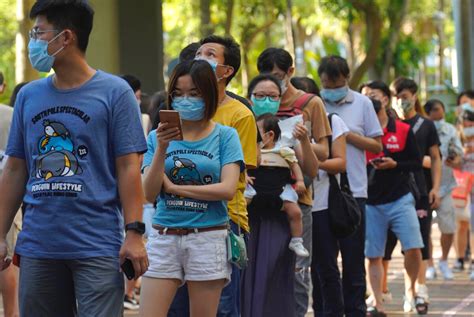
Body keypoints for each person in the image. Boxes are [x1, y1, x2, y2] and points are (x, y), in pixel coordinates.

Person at [0, 2, 149, 316]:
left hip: (96, 246)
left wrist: (134, 233)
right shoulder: (28, 95)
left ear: (65, 37)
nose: (33, 42)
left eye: (39, 32)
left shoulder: (115, 93)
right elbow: (15, 168)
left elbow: (129, 167)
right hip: (38, 245)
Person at [139, 59, 244, 317]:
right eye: (178, 93)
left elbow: (227, 189)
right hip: (164, 235)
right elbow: (148, 193)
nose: (185, 100)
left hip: (208, 237)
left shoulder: (225, 136)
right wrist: (163, 148)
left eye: (194, 93)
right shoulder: (156, 137)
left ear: (208, 94)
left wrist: (176, 188)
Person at [256, 47, 331, 317]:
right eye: (266, 77)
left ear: (290, 73)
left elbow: (325, 151)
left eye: (278, 76)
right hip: (260, 198)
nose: (272, 83)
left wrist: (300, 141)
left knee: (297, 269)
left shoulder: (310, 104)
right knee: (260, 267)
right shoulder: (253, 103)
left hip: (297, 198)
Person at [242, 73, 318, 317]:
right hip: (250, 214)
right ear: (249, 97)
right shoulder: (239, 128)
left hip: (282, 213)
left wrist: (304, 140)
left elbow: (310, 170)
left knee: (279, 271)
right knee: (247, 271)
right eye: (260, 95)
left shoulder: (289, 132)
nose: (266, 100)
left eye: (272, 96)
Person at [318, 55, 383, 317]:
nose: (331, 89)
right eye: (326, 83)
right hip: (321, 194)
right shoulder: (316, 103)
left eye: (336, 83)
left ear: (347, 78)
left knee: (353, 259)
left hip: (353, 193)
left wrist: (345, 134)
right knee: (324, 264)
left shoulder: (363, 103)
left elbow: (377, 146)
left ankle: (355, 310)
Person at [384, 77, 441, 312]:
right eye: (397, 97)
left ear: (415, 97)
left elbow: (436, 158)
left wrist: (435, 188)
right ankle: (380, 291)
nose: (401, 102)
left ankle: (419, 290)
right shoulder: (385, 123)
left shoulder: (426, 126)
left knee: (418, 242)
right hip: (386, 191)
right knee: (384, 244)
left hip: (419, 191)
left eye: (405, 97)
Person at [365, 98, 424, 316]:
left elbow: (416, 163)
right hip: (370, 201)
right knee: (373, 255)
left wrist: (395, 164)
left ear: (384, 102)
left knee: (414, 247)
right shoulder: (358, 130)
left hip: (401, 198)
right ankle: (377, 302)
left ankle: (411, 291)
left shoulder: (402, 129)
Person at [252, 113, 309, 257]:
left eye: (256, 130)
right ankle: (237, 232)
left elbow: (295, 166)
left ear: (270, 134)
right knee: (241, 205)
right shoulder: (251, 150)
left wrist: (300, 181)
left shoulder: (284, 150)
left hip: (280, 188)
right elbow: (243, 166)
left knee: (295, 212)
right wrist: (245, 176)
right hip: (255, 186)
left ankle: (296, 240)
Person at [311, 112, 349, 316]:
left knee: (326, 267)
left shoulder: (331, 120)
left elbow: (341, 163)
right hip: (289, 207)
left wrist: (310, 161)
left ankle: (332, 312)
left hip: (322, 207)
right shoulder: (277, 121)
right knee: (310, 271)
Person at [424, 99, 463, 279]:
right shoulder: (422, 129)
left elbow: (459, 156)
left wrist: (455, 160)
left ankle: (444, 261)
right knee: (425, 229)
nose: (436, 113)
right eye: (431, 110)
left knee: (448, 227)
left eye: (438, 109)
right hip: (424, 186)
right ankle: (430, 264)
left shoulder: (450, 130)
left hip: (447, 185)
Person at [0, 74, 21, 317]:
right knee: (5, 262)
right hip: (8, 194)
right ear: (3, 87)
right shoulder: (11, 115)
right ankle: (12, 313)